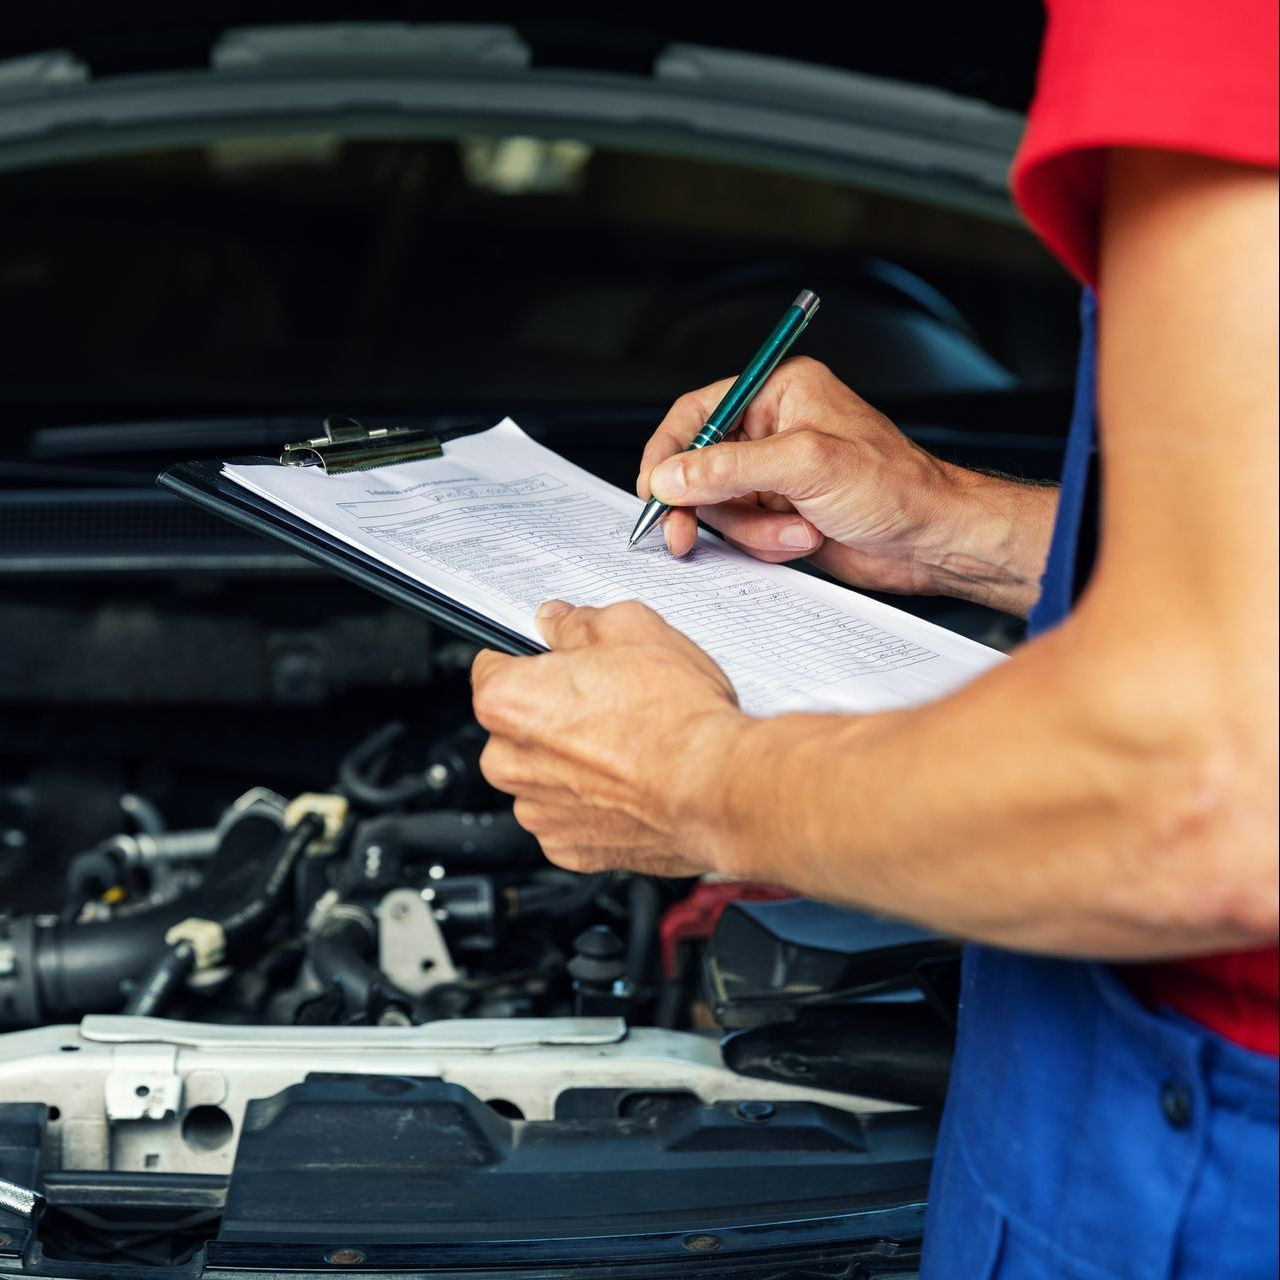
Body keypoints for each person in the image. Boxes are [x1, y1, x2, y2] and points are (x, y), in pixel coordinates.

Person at [469, 2, 1279, 1274]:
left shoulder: (1209, 27)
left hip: (1194, 1165)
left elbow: (1199, 789)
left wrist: (694, 779)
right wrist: (958, 528)